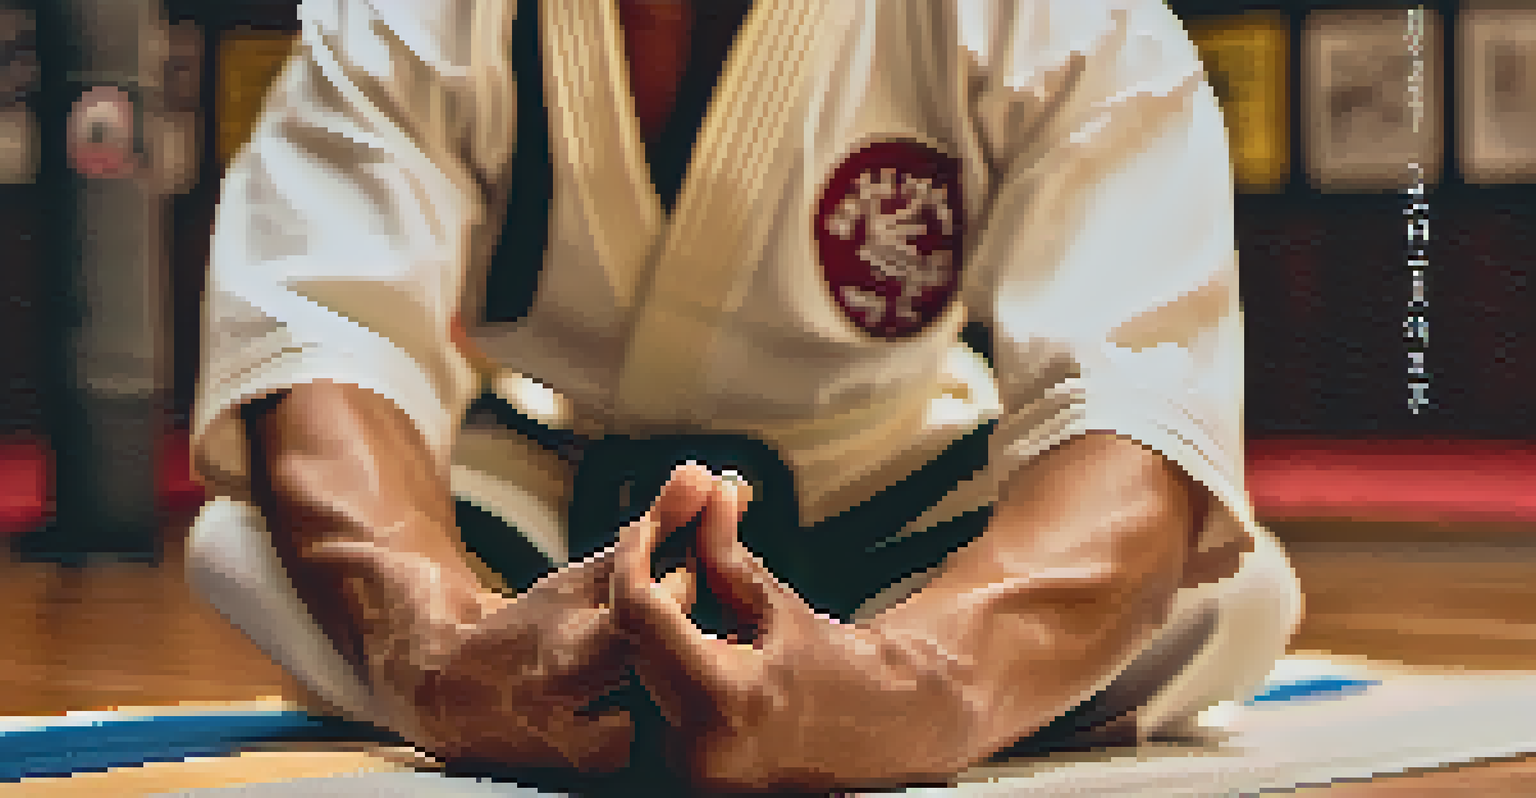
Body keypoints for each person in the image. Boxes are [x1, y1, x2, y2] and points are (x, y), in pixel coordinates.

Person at [185, 0, 1303, 792]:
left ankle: (757, 685)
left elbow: (1134, 422)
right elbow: (325, 344)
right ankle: (558, 668)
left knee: (1226, 595)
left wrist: (921, 683)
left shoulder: (1066, 20)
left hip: (894, 491)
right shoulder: (405, 17)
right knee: (243, 541)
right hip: (547, 493)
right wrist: (433, 644)